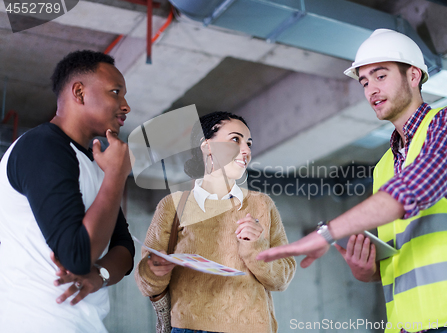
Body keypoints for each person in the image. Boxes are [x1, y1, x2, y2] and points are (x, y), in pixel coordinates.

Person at [257, 29, 447, 333]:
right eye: (364, 81)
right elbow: (404, 258)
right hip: (406, 326)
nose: (371, 89)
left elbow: (412, 189)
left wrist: (327, 234)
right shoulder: (384, 165)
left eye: (380, 76)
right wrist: (369, 270)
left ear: (413, 75)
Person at [0, 50, 135, 332]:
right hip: (37, 322)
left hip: (83, 324)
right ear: (79, 92)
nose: (125, 106)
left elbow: (124, 249)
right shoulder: (41, 146)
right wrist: (116, 176)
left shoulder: (95, 165)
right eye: (115, 92)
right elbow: (77, 254)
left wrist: (100, 274)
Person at [135, 111, 296, 333]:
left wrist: (254, 248)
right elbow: (145, 281)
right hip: (188, 329)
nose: (246, 150)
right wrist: (153, 271)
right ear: (206, 146)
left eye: (248, 143)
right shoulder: (172, 205)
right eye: (235, 139)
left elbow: (282, 278)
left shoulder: (262, 204)